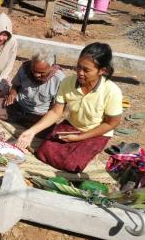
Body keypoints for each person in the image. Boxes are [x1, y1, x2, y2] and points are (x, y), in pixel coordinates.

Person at [16, 43, 123, 173]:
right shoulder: (68, 82)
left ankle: (90, 151)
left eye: (86, 70)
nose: (80, 73)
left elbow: (112, 123)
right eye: (78, 67)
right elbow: (56, 112)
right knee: (43, 153)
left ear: (102, 71)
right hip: (71, 126)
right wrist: (32, 131)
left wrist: (79, 137)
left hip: (96, 131)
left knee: (71, 165)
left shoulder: (112, 91)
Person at [0, 50, 65, 126]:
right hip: (17, 106)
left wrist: (47, 116)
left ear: (51, 67)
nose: (36, 75)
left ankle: (22, 121)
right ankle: (21, 120)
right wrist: (12, 93)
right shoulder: (25, 67)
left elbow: (57, 107)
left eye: (41, 72)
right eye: (34, 70)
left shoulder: (59, 79)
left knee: (48, 132)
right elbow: (15, 85)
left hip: (37, 115)